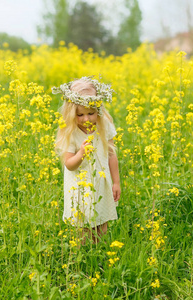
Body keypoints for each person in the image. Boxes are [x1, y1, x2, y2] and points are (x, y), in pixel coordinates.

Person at [53, 76, 121, 244]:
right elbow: (69, 164)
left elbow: (112, 155)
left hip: (100, 183)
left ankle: (99, 257)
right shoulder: (70, 132)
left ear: (98, 110)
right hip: (79, 188)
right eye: (80, 115)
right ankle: (82, 259)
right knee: (83, 229)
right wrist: (81, 153)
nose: (86, 119)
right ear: (71, 114)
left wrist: (116, 182)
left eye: (91, 113)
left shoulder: (103, 125)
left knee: (102, 224)